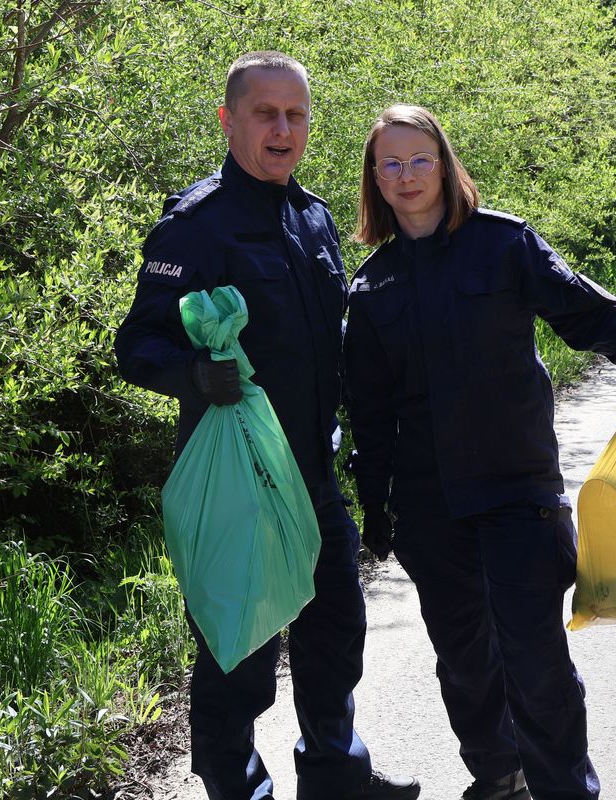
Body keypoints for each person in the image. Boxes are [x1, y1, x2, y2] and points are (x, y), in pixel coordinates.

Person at [343, 104, 616, 800]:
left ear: (445, 164)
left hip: (517, 491)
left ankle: (565, 791)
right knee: (464, 661)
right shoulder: (371, 287)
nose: (406, 174)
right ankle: (498, 777)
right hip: (430, 507)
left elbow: (595, 321)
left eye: (420, 158)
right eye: (390, 163)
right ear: (374, 176)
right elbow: (369, 413)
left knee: (536, 661)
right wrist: (376, 505)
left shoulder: (504, 244)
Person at [114, 52, 419, 800]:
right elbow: (136, 345)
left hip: (314, 476)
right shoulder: (196, 226)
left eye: (296, 115)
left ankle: (335, 776)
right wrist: (193, 374)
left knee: (336, 635)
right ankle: (238, 787)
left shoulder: (313, 217)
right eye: (265, 113)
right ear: (229, 120)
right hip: (240, 487)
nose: (283, 129)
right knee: (239, 655)